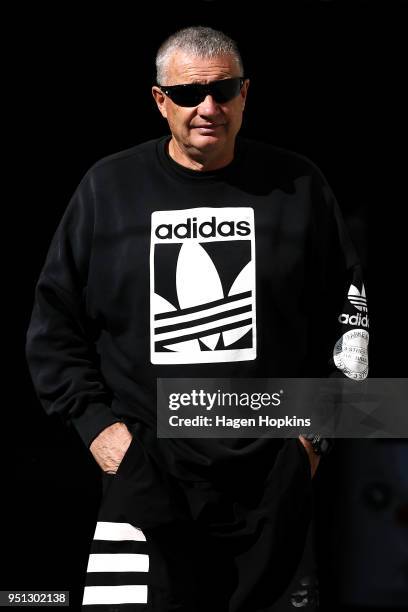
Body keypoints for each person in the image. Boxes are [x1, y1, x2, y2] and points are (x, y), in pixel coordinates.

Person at [25, 26, 369, 612]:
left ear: (244, 95)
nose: (207, 108)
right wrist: (105, 439)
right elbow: (52, 328)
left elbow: (351, 317)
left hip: (272, 490)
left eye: (223, 90)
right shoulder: (108, 188)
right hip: (144, 483)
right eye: (188, 94)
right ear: (160, 100)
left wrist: (313, 441)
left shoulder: (299, 184)